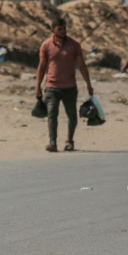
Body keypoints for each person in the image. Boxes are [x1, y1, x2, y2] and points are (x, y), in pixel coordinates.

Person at [35, 17, 94, 153]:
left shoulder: (74, 45)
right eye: (60, 28)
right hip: (51, 87)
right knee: (51, 115)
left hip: (70, 87)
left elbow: (82, 65)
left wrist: (88, 84)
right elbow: (42, 67)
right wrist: (37, 86)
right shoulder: (46, 45)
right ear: (53, 30)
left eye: (64, 28)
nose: (63, 31)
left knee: (72, 115)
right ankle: (52, 142)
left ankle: (69, 141)